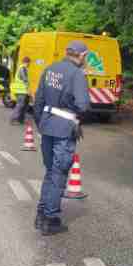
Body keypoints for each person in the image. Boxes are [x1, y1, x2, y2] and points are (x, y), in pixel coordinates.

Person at [33, 41, 91, 235]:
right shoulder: (77, 75)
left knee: (50, 171)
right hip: (64, 130)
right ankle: (51, 219)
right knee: (58, 173)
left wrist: (41, 124)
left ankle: (40, 215)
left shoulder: (50, 69)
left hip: (47, 126)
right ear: (81, 56)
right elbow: (83, 105)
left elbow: (38, 100)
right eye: (86, 57)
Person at [9, 56, 33, 124]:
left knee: (23, 105)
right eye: (29, 63)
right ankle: (13, 119)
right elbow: (25, 79)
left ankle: (20, 119)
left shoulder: (23, 68)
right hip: (21, 91)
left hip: (22, 91)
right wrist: (29, 90)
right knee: (20, 105)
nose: (29, 64)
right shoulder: (23, 68)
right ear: (27, 62)